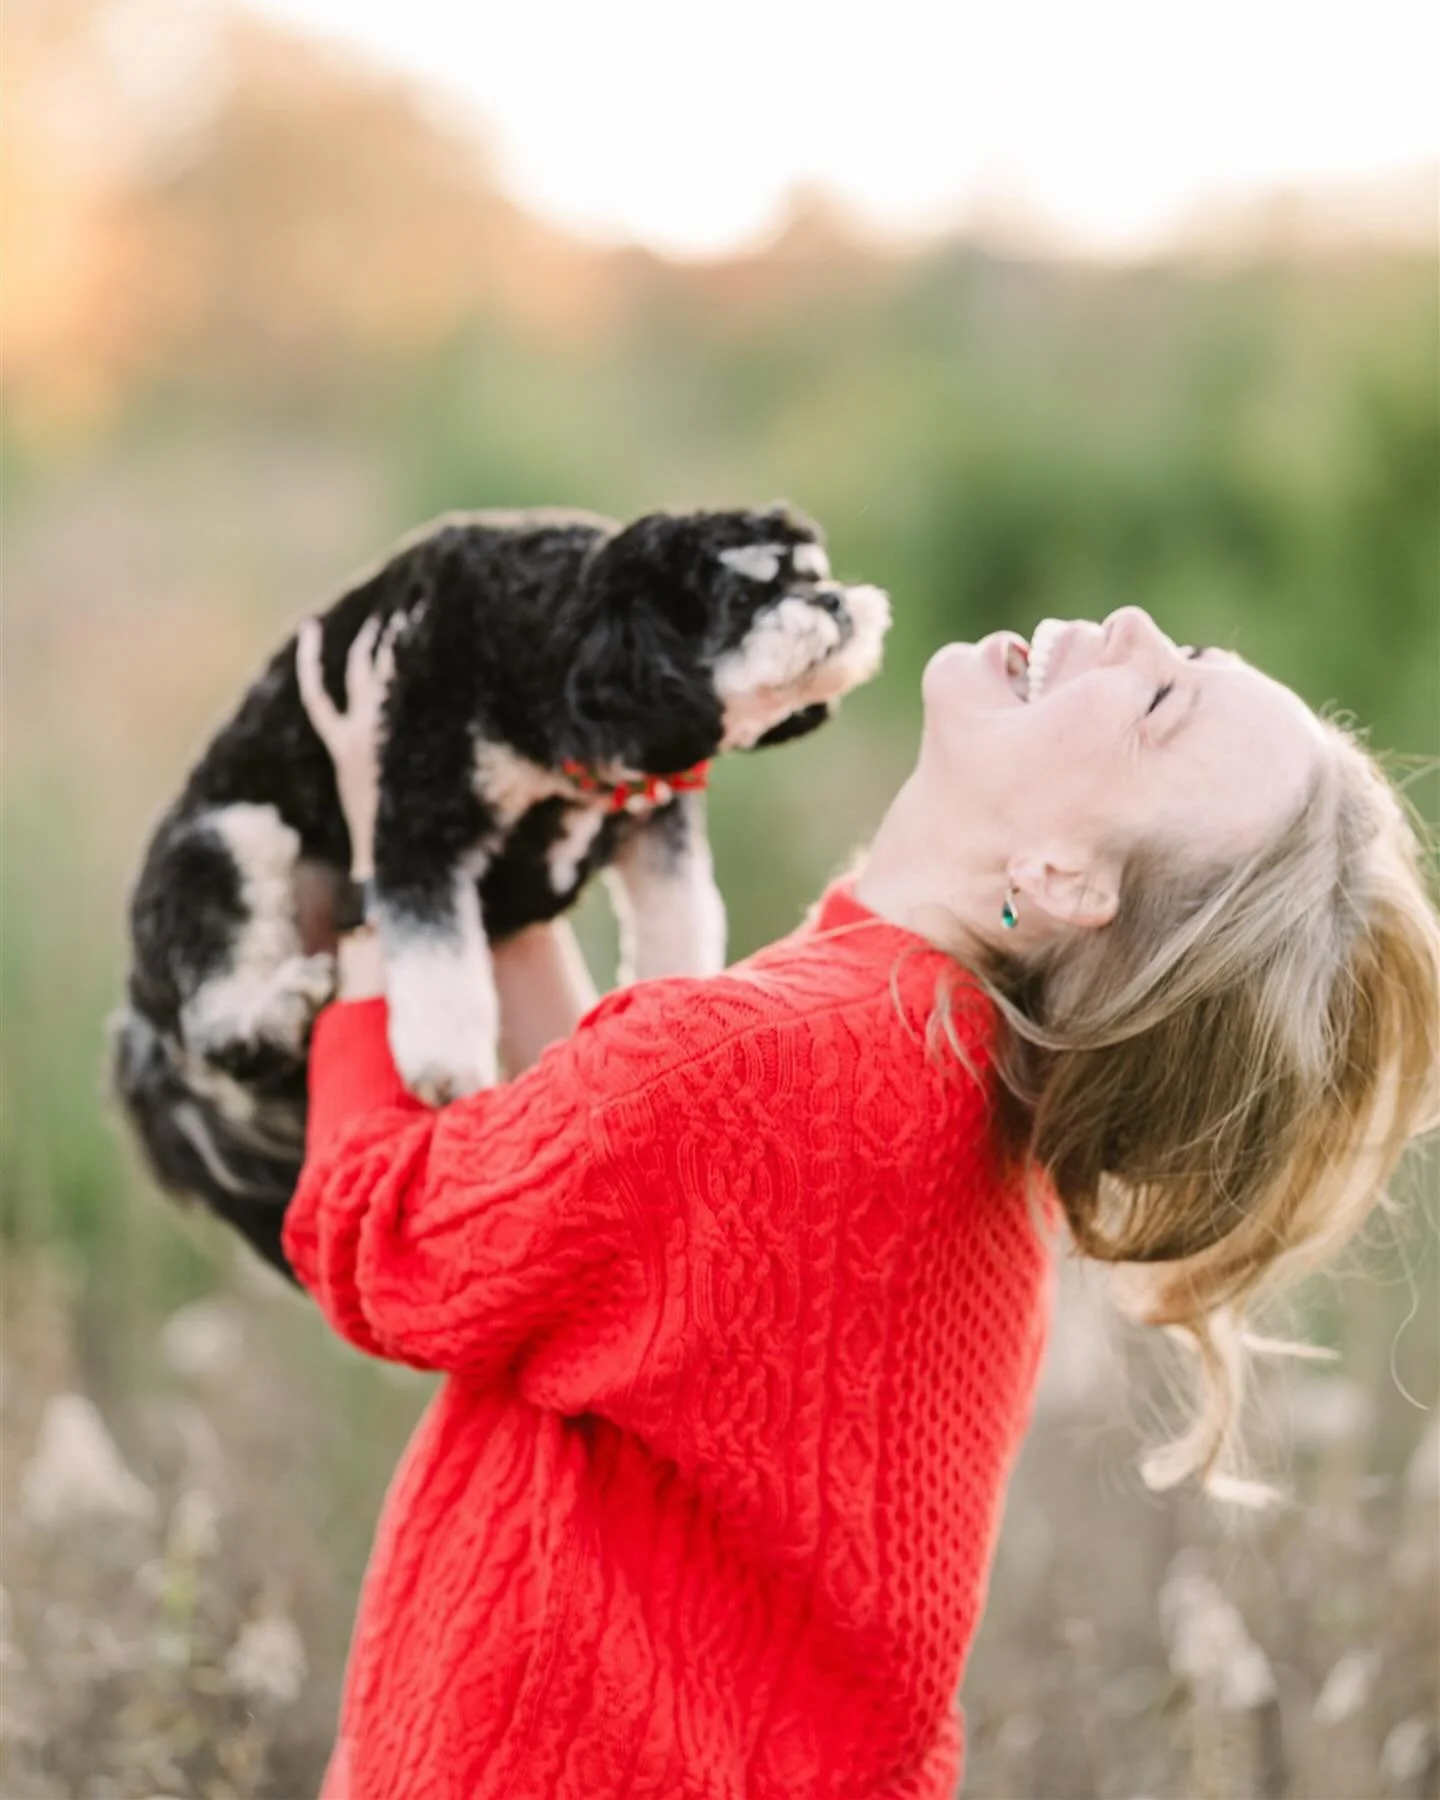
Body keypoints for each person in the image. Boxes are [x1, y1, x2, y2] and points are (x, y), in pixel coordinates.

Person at [286, 605, 1440, 1800]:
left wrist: (393, 863)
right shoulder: (937, 1086)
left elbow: (386, 1234)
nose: (1145, 630)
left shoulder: (769, 1062)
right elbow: (591, 1169)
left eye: (1161, 705)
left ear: (1062, 875)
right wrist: (511, 864)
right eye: (1194, 658)